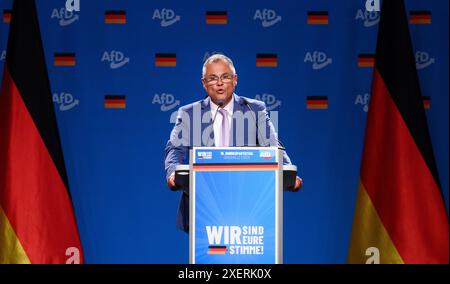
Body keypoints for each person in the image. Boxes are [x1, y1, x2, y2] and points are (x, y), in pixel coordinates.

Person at [164, 54, 302, 232]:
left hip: (249, 210)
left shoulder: (254, 109)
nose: (220, 83)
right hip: (203, 210)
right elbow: (174, 150)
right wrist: (172, 173)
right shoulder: (190, 113)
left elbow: (274, 146)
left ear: (235, 80)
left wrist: (287, 171)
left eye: (225, 77)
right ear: (204, 84)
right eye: (212, 78)